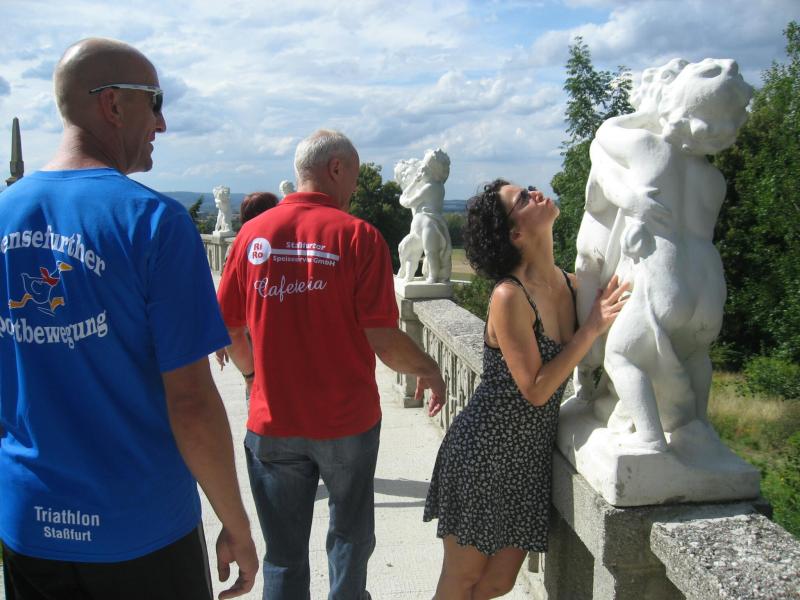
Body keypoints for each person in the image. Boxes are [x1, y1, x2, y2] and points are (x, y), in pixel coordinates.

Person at [0, 37, 257, 600]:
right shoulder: (153, 222)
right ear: (113, 103)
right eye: (155, 101)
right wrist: (235, 522)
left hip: (28, 523)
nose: (162, 123)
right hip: (139, 530)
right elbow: (191, 402)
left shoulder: (4, 215)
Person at [217, 129, 446, 600]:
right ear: (336, 168)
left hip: (273, 422)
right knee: (350, 540)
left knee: (283, 557)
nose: (355, 189)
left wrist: (253, 377)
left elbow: (230, 331)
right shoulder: (359, 237)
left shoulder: (252, 236)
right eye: (354, 177)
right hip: (346, 422)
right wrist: (428, 367)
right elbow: (383, 338)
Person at [423, 179, 629, 599]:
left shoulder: (571, 285)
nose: (536, 193)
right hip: (483, 452)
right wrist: (590, 328)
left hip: (528, 460)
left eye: (530, 189)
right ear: (515, 233)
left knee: (498, 583)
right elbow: (535, 389)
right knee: (462, 578)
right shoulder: (509, 296)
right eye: (522, 198)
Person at [216, 191, 279, 372]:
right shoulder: (284, 246)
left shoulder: (238, 246)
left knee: (255, 381)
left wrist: (221, 338)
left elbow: (227, 293)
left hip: (247, 328)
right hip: (267, 329)